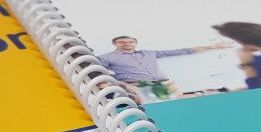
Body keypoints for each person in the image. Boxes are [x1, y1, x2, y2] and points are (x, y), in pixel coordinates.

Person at [98, 35, 229, 83]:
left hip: (164, 83)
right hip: (137, 86)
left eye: (131, 41)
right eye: (122, 42)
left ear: (136, 43)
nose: (127, 44)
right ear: (115, 44)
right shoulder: (107, 57)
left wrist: (213, 46)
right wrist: (121, 80)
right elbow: (97, 73)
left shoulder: (148, 53)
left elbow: (180, 51)